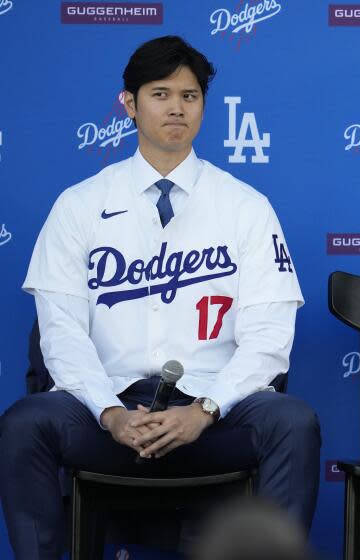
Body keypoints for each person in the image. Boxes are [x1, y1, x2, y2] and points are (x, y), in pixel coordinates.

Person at [0, 35, 320, 558]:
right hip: (108, 417)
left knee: (292, 422)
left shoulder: (246, 207)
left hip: (212, 417)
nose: (176, 107)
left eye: (189, 96)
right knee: (25, 424)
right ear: (129, 103)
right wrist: (111, 414)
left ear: (203, 106)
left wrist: (205, 410)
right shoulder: (80, 205)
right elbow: (60, 333)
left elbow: (268, 339)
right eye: (160, 93)